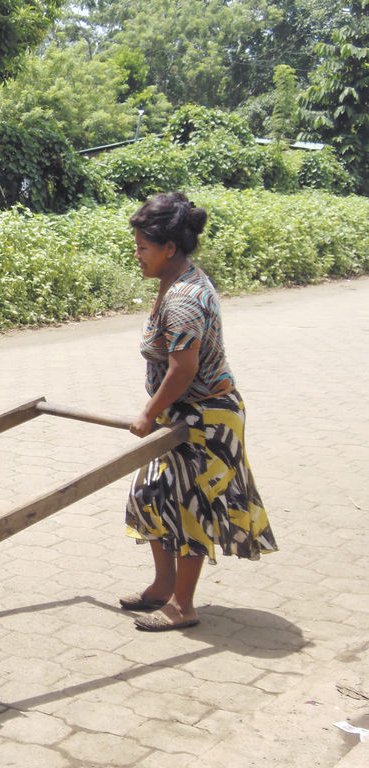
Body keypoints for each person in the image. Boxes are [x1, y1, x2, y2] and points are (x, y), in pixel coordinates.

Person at [120, 191, 277, 631]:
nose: (138, 255)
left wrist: (148, 413)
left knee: (190, 509)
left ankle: (182, 606)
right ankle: (162, 587)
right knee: (150, 496)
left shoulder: (186, 298)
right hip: (182, 416)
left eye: (143, 248)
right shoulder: (175, 281)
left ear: (169, 248)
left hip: (206, 419)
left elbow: (183, 369)